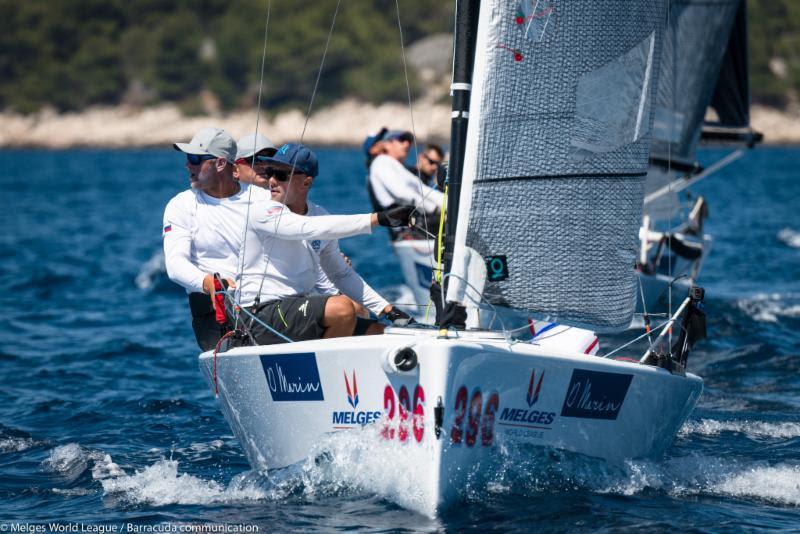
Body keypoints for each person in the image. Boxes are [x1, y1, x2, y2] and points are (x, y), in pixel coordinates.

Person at [163, 127, 412, 350]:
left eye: (194, 159)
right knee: (342, 309)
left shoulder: (262, 200)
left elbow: (307, 237)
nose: (187, 165)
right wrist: (209, 282)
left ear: (219, 164)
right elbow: (175, 267)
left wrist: (385, 308)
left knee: (363, 317)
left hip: (276, 305)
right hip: (221, 310)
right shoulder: (182, 205)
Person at [259, 142, 412, 333]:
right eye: (270, 173)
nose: (272, 181)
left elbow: (340, 274)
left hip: (297, 308)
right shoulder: (262, 209)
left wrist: (388, 310)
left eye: (281, 175)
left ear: (306, 182)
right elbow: (307, 228)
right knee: (342, 309)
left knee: (380, 331)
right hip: (264, 312)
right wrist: (377, 219)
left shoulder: (319, 214)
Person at [368, 130, 444, 238]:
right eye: (401, 140)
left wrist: (449, 203)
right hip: (407, 228)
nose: (407, 144)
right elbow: (402, 194)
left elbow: (425, 190)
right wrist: (436, 209)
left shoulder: (399, 167)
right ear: (387, 144)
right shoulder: (380, 163)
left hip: (421, 220)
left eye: (408, 141)